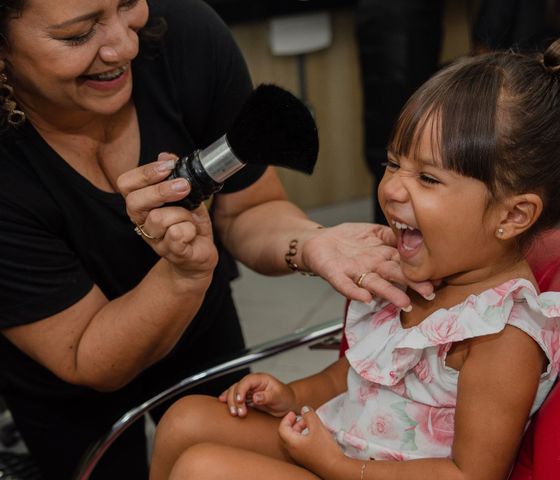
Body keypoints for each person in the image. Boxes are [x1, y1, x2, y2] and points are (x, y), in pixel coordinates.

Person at [148, 37, 560, 479]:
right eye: (394, 164)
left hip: (366, 471)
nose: (391, 189)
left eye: (428, 179)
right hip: (346, 449)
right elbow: (352, 377)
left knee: (204, 468)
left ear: (513, 214)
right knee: (184, 419)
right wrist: (292, 395)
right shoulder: (415, 275)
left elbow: (469, 474)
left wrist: (341, 468)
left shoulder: (502, 336)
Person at [0, 0, 434, 479]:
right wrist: (183, 276)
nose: (125, 45)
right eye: (79, 34)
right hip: (71, 381)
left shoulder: (186, 38)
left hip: (201, 330)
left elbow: (250, 208)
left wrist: (310, 244)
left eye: (128, 4)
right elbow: (87, 356)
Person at [355, 0, 444, 225]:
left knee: (400, 126)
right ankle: (395, 226)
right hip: (397, 18)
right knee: (399, 128)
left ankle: (396, 224)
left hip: (391, 15)